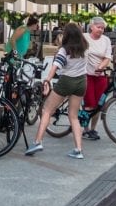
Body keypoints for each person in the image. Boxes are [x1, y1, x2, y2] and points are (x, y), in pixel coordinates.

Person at [26, 23, 89, 159]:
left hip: (66, 81)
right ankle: (78, 150)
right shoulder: (85, 48)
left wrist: (47, 80)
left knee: (47, 110)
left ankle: (37, 142)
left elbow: (55, 67)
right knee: (73, 116)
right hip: (82, 81)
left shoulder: (64, 50)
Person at [83, 17, 112, 141]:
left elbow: (107, 57)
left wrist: (100, 67)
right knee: (89, 103)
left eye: (103, 28)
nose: (101, 30)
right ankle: (86, 129)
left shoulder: (106, 40)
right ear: (92, 27)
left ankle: (93, 128)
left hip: (100, 75)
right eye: (98, 27)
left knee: (99, 105)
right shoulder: (85, 38)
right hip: (86, 74)